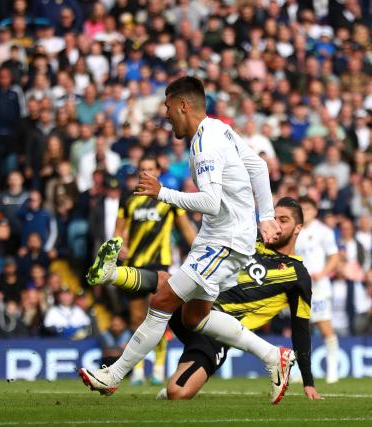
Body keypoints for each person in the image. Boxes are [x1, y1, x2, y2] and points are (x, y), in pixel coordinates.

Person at [79, 76, 292, 404]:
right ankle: (272, 356)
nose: (165, 114)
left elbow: (210, 201)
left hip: (226, 240)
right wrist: (264, 215)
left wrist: (161, 192)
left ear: (182, 105)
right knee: (195, 316)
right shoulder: (218, 129)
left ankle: (113, 375)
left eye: (167, 106)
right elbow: (259, 166)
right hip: (219, 236)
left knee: (162, 300)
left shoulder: (207, 143)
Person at [157, 198, 320, 401]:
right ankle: (113, 275)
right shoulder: (249, 240)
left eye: (283, 220)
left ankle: (176, 380)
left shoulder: (298, 275)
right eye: (272, 218)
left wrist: (308, 382)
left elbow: (301, 328)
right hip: (193, 307)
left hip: (217, 334)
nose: (275, 225)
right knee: (162, 279)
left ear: (298, 228)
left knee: (176, 393)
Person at [116, 156, 197, 385]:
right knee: (136, 318)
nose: (146, 173)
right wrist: (120, 245)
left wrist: (201, 249)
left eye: (150, 169)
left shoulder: (168, 199)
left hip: (159, 266)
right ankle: (139, 370)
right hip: (134, 266)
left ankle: (159, 368)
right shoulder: (128, 200)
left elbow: (186, 230)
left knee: (158, 317)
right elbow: (119, 230)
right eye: (143, 169)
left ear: (158, 172)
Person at [295, 196, 341, 384]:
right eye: (302, 209)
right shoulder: (294, 231)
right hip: (298, 287)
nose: (305, 212)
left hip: (319, 288)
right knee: (301, 329)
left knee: (324, 327)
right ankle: (301, 371)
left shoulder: (324, 232)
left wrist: (323, 273)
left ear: (315, 211)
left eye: (308, 209)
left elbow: (335, 257)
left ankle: (332, 370)